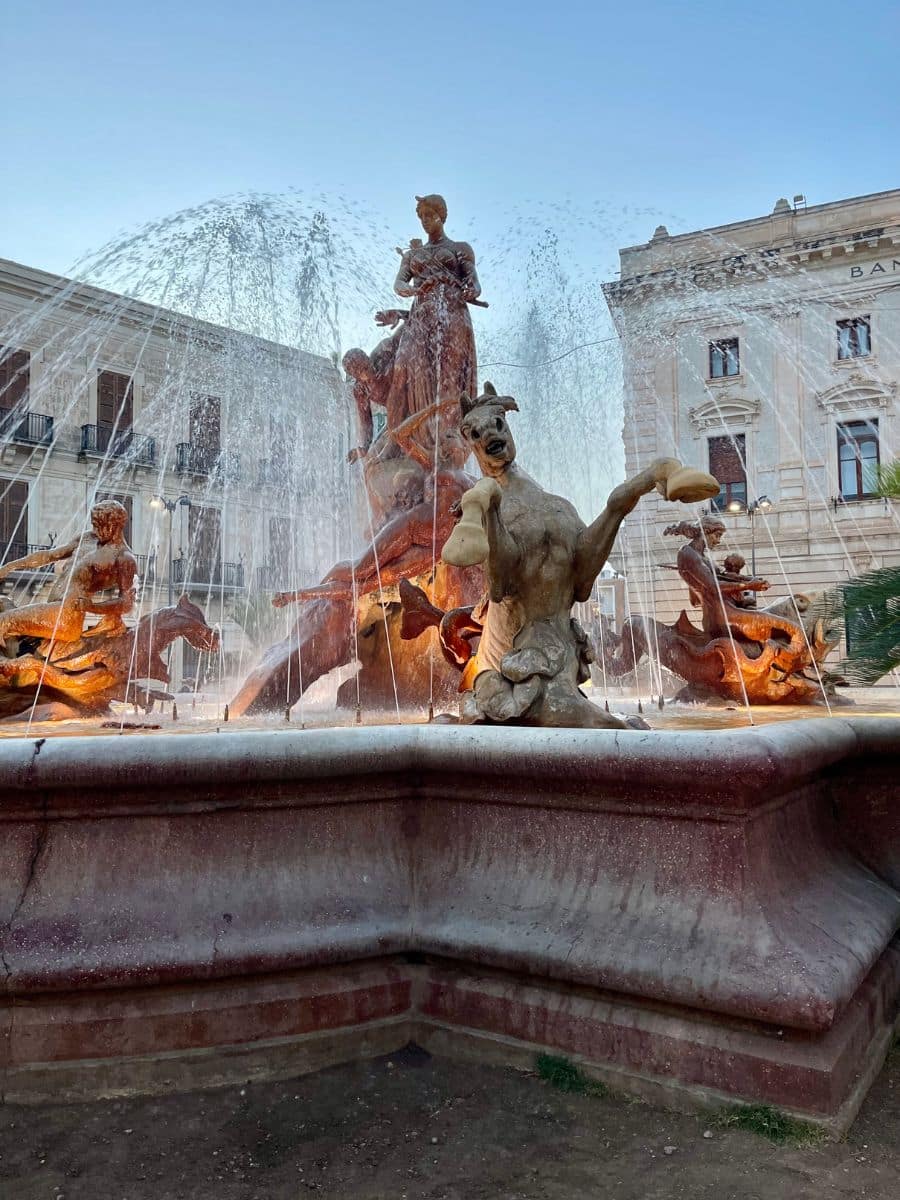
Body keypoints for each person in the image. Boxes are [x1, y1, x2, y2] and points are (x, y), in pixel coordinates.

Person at [383, 194, 481, 453]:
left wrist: (471, 291)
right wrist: (413, 292)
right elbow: (399, 284)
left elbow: (475, 283)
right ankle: (403, 435)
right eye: (421, 217)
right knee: (404, 364)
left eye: (430, 215)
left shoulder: (461, 248)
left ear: (442, 215)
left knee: (449, 376)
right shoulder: (414, 254)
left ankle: (447, 437)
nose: (425, 221)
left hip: (453, 316)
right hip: (421, 317)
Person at [0, 499, 137, 655]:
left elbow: (126, 602)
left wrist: (92, 607)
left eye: (100, 525)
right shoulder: (87, 538)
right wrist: (9, 567)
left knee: (4, 621)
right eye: (94, 524)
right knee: (3, 603)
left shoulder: (124, 558)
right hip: (51, 607)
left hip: (67, 615)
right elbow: (50, 555)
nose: (96, 530)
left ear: (115, 525)